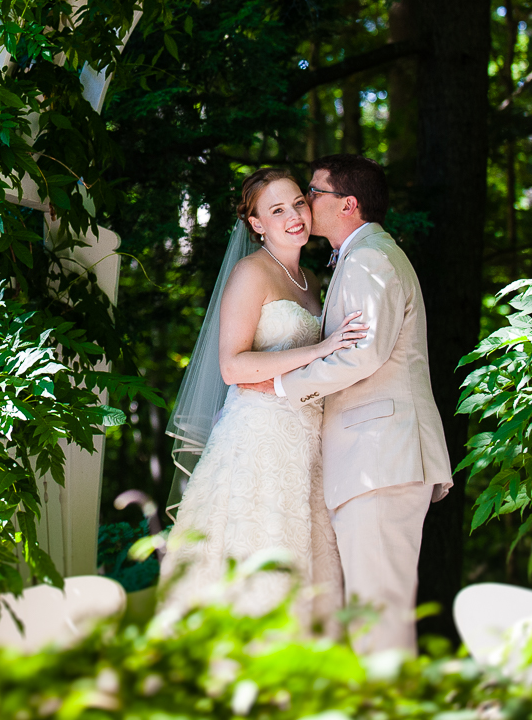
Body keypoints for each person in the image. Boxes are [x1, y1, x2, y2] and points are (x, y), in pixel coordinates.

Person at [243, 154, 453, 655]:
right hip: (373, 459)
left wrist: (280, 388)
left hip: (379, 458)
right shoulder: (358, 258)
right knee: (372, 611)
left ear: (348, 204)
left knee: (380, 614)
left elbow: (365, 352)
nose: (305, 203)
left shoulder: (371, 258)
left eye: (313, 193)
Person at [159, 167, 369, 626]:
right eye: (277, 210)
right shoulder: (251, 273)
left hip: (308, 442)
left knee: (308, 561)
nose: (294, 216)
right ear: (256, 224)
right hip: (259, 438)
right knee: (260, 552)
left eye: (298, 202)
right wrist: (321, 347)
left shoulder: (312, 279)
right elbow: (232, 366)